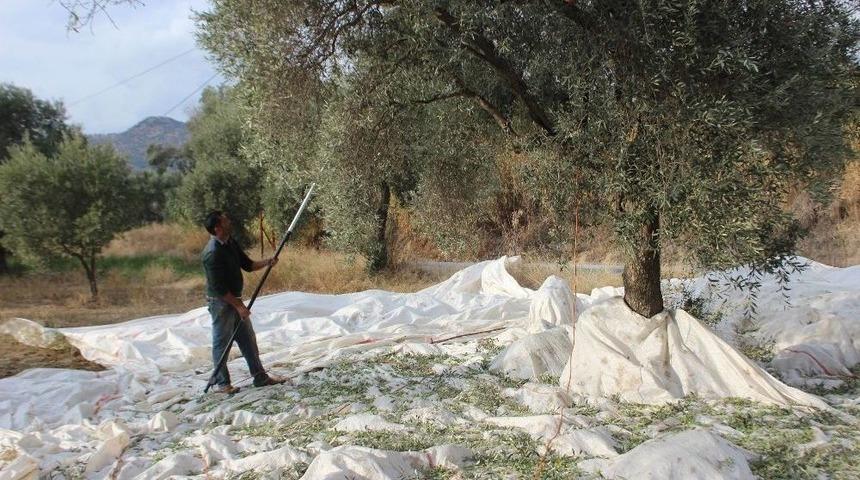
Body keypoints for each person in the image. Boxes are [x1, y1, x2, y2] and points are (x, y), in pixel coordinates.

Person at [202, 210, 287, 394]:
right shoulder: (212, 253)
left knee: (248, 339)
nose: (229, 222)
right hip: (221, 303)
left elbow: (247, 265)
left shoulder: (230, 242)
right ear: (217, 228)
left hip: (235, 300)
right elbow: (219, 289)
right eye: (225, 221)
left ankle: (260, 377)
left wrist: (267, 262)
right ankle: (222, 384)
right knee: (222, 343)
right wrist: (239, 306)